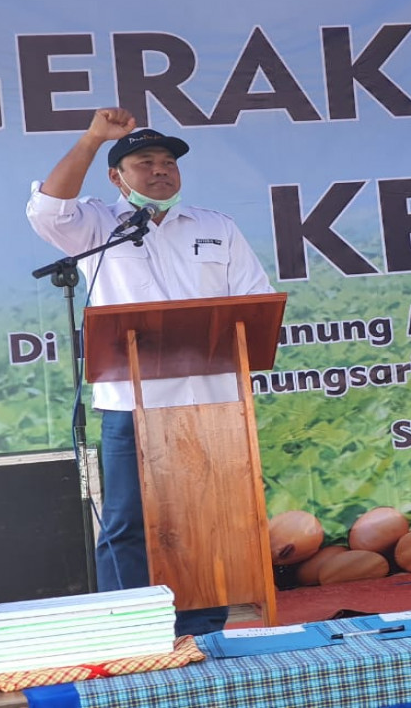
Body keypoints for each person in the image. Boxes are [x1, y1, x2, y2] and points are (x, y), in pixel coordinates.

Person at [26, 107, 273, 637]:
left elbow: (254, 302)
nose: (161, 170)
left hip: (209, 399)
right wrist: (93, 138)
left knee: (204, 518)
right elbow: (48, 210)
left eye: (168, 162)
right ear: (117, 177)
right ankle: (129, 630)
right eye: (145, 163)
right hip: (130, 404)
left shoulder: (216, 227)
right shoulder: (97, 224)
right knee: (128, 523)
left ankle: (203, 628)